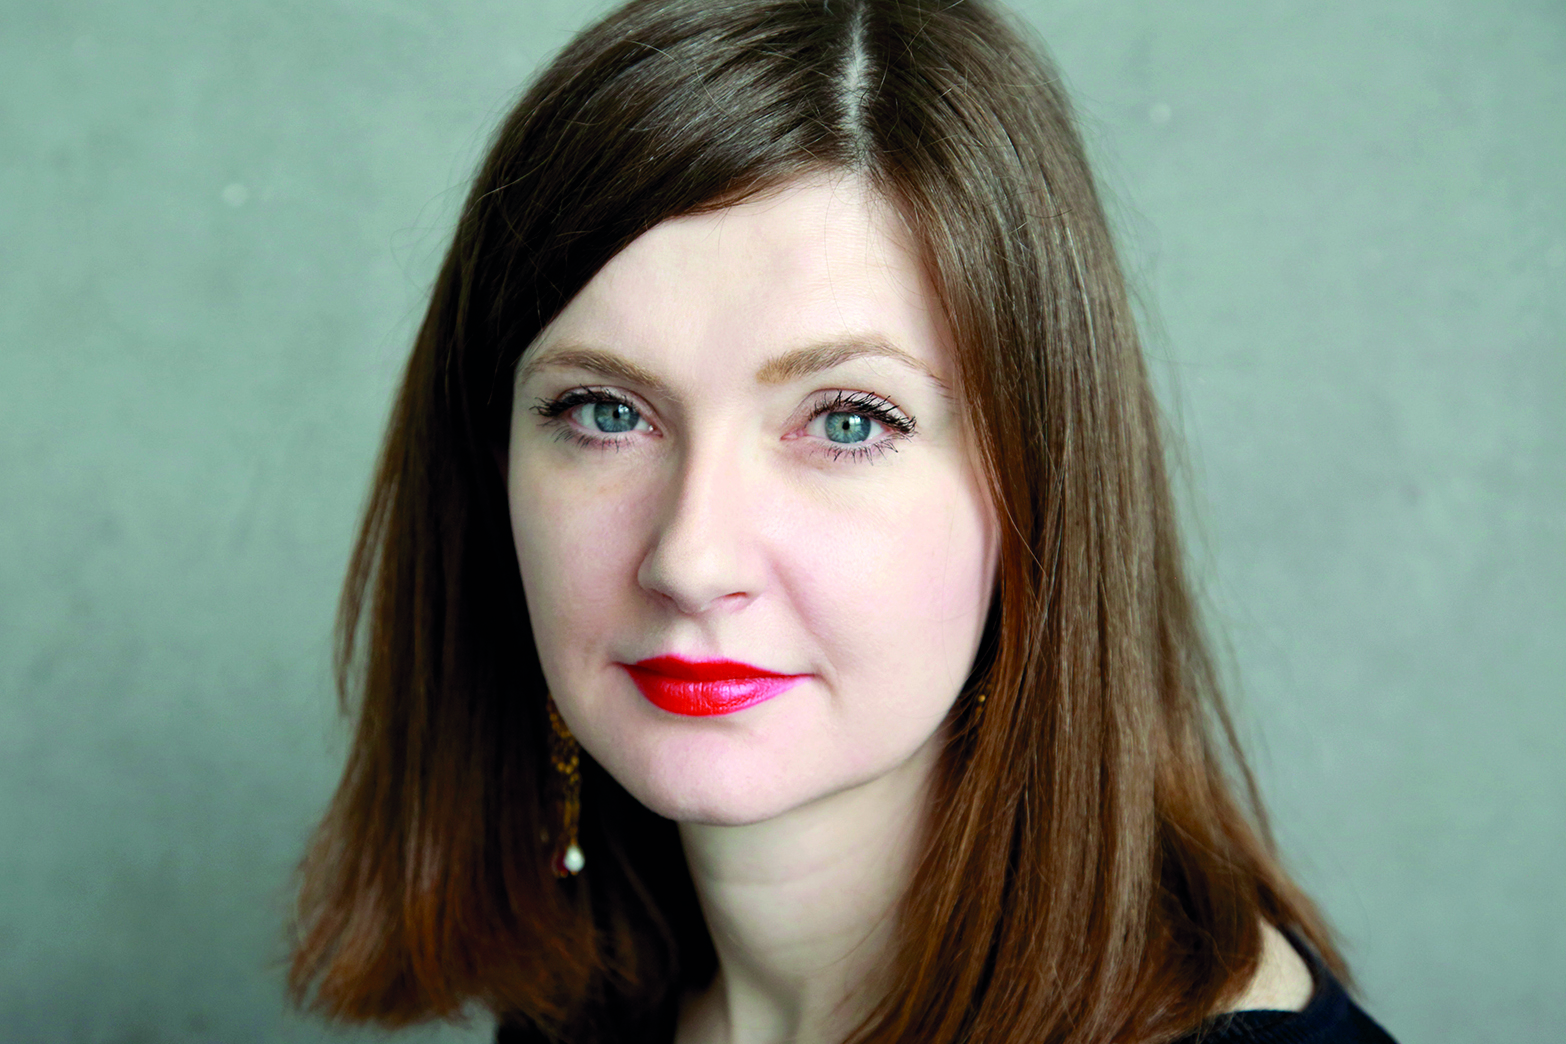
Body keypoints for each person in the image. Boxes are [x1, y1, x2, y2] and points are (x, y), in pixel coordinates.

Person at [287, 1, 1399, 1042]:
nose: (692, 559)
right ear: (491, 465)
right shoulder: (583, 1014)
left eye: (849, 421)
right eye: (606, 411)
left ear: (1038, 487)